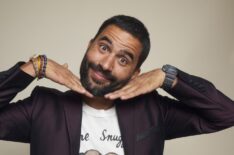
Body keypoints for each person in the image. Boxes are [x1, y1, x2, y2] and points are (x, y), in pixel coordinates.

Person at [0, 15, 233, 155]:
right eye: (103, 47)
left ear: (136, 73)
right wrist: (33, 67)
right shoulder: (44, 106)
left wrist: (167, 78)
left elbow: (225, 114)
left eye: (124, 59)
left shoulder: (153, 111)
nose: (106, 64)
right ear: (89, 45)